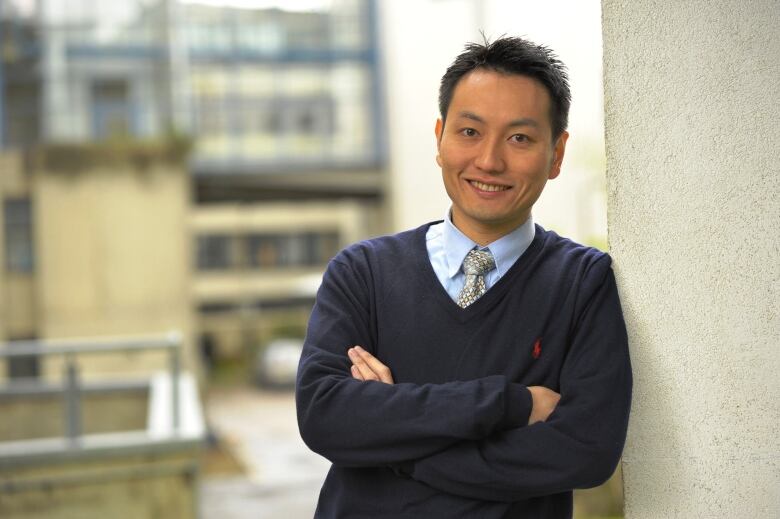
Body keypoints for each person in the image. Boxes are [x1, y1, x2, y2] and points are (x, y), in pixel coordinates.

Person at [296, 36, 632, 518]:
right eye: (470, 132)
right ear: (440, 139)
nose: (490, 161)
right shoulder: (363, 272)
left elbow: (586, 449)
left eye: (519, 138)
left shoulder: (581, 283)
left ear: (556, 154)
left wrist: (394, 443)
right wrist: (509, 404)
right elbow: (325, 416)